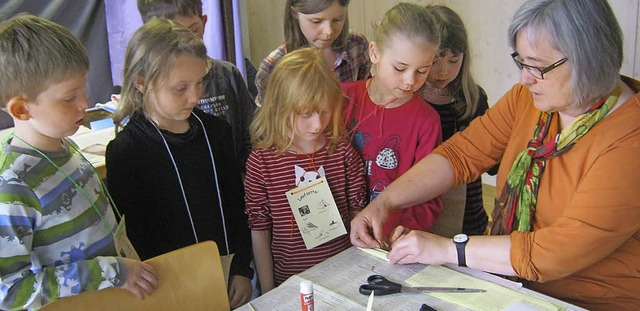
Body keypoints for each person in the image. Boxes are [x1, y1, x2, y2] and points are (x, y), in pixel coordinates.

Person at [350, 0, 640, 309]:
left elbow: (558, 250)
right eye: (522, 63)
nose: (524, 79)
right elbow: (461, 154)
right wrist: (386, 202)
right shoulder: (529, 99)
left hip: (587, 301)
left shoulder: (629, 139)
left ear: (588, 61)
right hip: (510, 284)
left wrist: (450, 250)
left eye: (537, 66)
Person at [0, 15, 158, 310]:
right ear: (21, 109)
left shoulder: (63, 143)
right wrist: (111, 273)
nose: (85, 103)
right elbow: (9, 291)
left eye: (82, 90)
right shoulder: (14, 188)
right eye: (69, 97)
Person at [105, 19, 253, 308]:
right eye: (180, 88)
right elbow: (135, 241)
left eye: (199, 83)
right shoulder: (127, 152)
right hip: (169, 292)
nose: (195, 96)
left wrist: (242, 270)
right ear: (141, 81)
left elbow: (236, 207)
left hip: (227, 279)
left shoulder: (216, 132)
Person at [245, 47, 367, 293]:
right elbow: (260, 231)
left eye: (324, 111)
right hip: (290, 284)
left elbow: (358, 215)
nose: (318, 124)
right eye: (305, 114)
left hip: (344, 278)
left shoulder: (341, 152)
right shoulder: (261, 163)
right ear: (280, 107)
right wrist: (269, 291)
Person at [343, 3, 443, 239]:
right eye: (400, 68)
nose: (410, 81)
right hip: (334, 239)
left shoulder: (427, 121)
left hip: (386, 243)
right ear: (375, 52)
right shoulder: (342, 99)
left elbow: (430, 196)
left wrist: (405, 230)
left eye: (422, 71)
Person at [137, 0, 256, 172]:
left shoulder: (228, 74)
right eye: (180, 88)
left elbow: (251, 136)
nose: (187, 42)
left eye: (193, 30)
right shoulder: (147, 89)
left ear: (204, 22)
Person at [417, 4, 495, 236]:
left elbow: (491, 161)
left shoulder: (474, 98)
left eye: (454, 60)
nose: (444, 71)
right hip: (421, 214)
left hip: (468, 217)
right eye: (436, 60)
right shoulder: (409, 98)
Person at [254, 0, 371, 105]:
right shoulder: (274, 65)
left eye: (337, 20)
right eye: (316, 21)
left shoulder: (357, 45)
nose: (328, 31)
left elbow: (364, 96)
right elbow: (269, 122)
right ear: (294, 13)